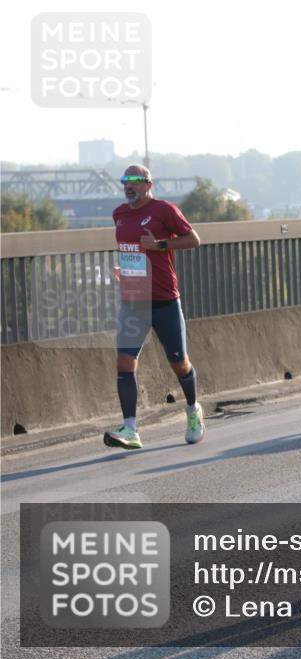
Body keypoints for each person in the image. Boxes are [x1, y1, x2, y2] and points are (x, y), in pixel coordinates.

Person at [103, 165, 205, 450]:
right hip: (133, 301)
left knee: (179, 363)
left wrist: (160, 244)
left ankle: (193, 409)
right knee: (125, 361)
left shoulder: (164, 210)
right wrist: (124, 268)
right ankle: (131, 428)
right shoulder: (119, 214)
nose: (128, 185)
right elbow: (131, 251)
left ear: (148, 184)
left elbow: (194, 240)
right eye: (125, 181)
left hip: (164, 301)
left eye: (135, 181)